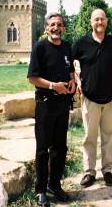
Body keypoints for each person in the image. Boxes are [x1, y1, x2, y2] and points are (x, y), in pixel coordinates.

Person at [27, 12, 76, 207]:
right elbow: (32, 78)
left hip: (63, 104)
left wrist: (72, 82)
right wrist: (52, 86)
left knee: (60, 148)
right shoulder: (39, 47)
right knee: (42, 149)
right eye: (52, 25)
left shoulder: (66, 47)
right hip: (45, 104)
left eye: (60, 24)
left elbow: (70, 69)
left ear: (63, 28)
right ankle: (40, 191)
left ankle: (54, 185)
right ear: (47, 28)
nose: (56, 28)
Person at [72, 8, 112, 188]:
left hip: (110, 98)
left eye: (102, 19)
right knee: (89, 137)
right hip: (90, 98)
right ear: (91, 22)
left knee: (108, 137)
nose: (99, 22)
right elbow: (69, 62)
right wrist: (77, 80)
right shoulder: (81, 43)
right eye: (96, 20)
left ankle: (107, 170)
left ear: (106, 21)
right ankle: (89, 172)